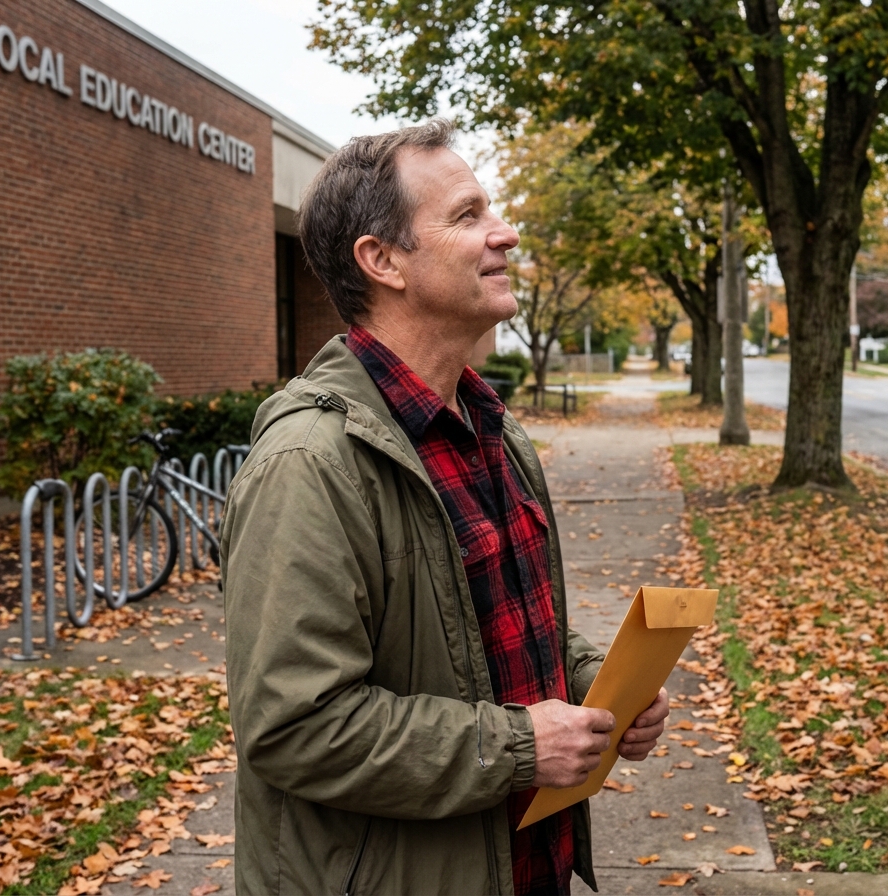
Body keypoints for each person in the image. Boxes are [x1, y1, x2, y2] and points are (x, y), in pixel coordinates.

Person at [220, 120, 669, 896]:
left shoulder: (494, 428)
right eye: (468, 216)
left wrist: (603, 687)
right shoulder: (310, 464)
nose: (506, 233)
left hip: (528, 867)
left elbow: (512, 627)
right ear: (382, 260)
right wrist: (521, 749)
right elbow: (295, 727)